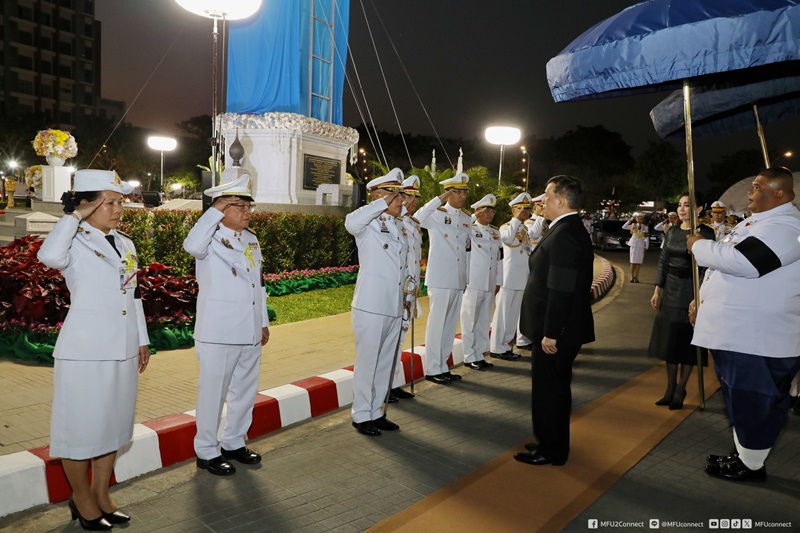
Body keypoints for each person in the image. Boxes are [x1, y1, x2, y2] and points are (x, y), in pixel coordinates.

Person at [37, 169, 150, 530]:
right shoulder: (73, 240)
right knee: (81, 428)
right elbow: (48, 256)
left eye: (120, 202)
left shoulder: (125, 243)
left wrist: (142, 338)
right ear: (87, 204)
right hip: (85, 350)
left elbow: (133, 294)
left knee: (112, 425)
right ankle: (81, 497)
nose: (119, 209)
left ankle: (102, 493)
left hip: (123, 346)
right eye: (110, 202)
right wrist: (75, 216)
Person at [688, 167, 800, 482]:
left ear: (779, 193)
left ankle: (751, 465)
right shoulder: (759, 223)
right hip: (740, 335)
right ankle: (745, 456)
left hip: (757, 339)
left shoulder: (786, 227)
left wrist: (698, 246)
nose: (750, 192)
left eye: (757, 187)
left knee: (755, 401)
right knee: (741, 399)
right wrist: (702, 301)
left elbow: (746, 262)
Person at [184, 175, 270, 476]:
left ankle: (234, 441)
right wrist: (214, 211)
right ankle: (207, 451)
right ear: (221, 208)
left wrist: (262, 321)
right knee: (213, 393)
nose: (247, 212)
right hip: (219, 330)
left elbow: (258, 283)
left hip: (249, 328)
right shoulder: (208, 237)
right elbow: (191, 246)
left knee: (245, 390)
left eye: (249, 207)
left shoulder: (250, 239)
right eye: (239, 206)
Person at [514, 175, 595, 466]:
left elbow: (561, 289)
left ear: (560, 201)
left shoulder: (565, 234)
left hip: (556, 331)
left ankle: (552, 450)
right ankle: (549, 440)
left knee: (550, 391)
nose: (542, 201)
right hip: (558, 328)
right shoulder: (566, 228)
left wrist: (551, 332)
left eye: (546, 197)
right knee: (552, 388)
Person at [345, 169, 408, 436]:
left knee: (385, 363)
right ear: (379, 196)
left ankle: (376, 411)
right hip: (371, 305)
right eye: (396, 196)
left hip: (393, 304)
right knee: (368, 362)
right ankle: (361, 414)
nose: (401, 200)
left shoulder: (397, 225)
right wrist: (382, 202)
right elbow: (351, 222)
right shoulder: (367, 223)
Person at [648, 195, 715, 410]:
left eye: (687, 205)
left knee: (686, 343)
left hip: (690, 290)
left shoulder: (705, 233)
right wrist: (658, 289)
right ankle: (670, 387)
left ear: (699, 208)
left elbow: (707, 268)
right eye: (679, 205)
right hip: (671, 290)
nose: (682, 209)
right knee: (670, 341)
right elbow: (663, 261)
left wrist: (698, 295)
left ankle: (681, 389)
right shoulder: (672, 231)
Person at [416, 173, 471, 384]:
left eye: (465, 192)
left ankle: (443, 365)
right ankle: (432, 368)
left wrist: (465, 278)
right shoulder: (436, 214)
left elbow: (465, 251)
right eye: (457, 192)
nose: (462, 196)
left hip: (458, 278)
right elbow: (418, 217)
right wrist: (439, 199)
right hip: (440, 278)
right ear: (448, 193)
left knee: (449, 326)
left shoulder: (466, 219)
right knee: (437, 324)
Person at [388, 175, 423, 403]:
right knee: (391, 340)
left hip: (409, 289)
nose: (413, 201)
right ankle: (386, 385)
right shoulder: (395, 223)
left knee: (399, 338)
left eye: (416, 198)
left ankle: (394, 383)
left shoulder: (412, 223)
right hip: (397, 289)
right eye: (409, 196)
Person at [460, 194, 503, 370]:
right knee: (469, 321)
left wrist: (498, 281)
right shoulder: (469, 228)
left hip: (490, 282)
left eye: (492, 211)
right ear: (478, 212)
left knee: (484, 321)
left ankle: (479, 355)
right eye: (486, 211)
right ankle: (469, 356)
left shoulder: (495, 232)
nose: (490, 214)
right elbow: (461, 229)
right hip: (474, 281)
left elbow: (499, 259)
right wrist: (473, 217)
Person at [489, 192, 533, 360]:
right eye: (521, 208)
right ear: (513, 210)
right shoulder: (506, 227)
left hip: (521, 278)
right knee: (502, 315)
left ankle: (506, 346)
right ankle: (496, 347)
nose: (525, 212)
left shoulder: (524, 229)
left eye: (527, 209)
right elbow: (506, 239)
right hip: (507, 279)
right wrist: (515, 220)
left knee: (513, 315)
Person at [514, 193, 546, 351]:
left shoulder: (543, 223)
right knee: (526, 305)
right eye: (541, 206)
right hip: (529, 268)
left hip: (539, 268)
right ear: (535, 207)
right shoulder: (529, 223)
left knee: (535, 306)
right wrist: (540, 217)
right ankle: (522, 339)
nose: (543, 208)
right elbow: (532, 234)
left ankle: (530, 336)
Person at [622, 213, 649, 282]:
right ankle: (632, 276)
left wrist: (646, 246)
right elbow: (624, 227)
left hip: (641, 245)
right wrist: (630, 220)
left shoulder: (645, 227)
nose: (639, 220)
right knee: (633, 262)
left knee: (638, 262)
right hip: (633, 245)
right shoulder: (633, 225)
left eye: (641, 218)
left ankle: (636, 277)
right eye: (638, 218)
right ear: (636, 219)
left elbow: (646, 237)